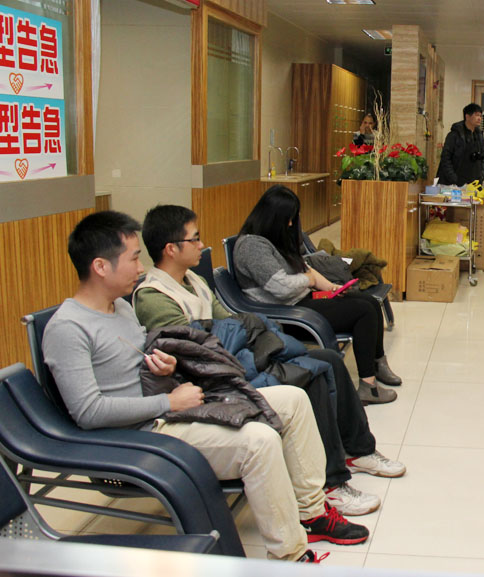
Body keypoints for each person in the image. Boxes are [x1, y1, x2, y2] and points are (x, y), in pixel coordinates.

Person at [42, 211, 369, 563]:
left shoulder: (119, 308)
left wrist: (165, 367)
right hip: (143, 432)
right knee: (259, 442)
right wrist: (168, 402)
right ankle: (289, 555)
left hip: (172, 407)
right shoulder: (68, 329)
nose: (140, 268)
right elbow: (89, 412)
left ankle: (312, 513)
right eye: (133, 258)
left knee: (294, 400)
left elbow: (138, 364)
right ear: (100, 267)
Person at [135, 205, 405, 516]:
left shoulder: (192, 280)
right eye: (194, 239)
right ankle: (330, 485)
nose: (201, 245)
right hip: (215, 381)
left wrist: (245, 337)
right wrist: (243, 340)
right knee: (311, 377)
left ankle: (359, 450)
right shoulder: (155, 297)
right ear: (171, 249)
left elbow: (229, 324)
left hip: (235, 360)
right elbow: (197, 355)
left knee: (330, 359)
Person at [232, 186, 401, 404]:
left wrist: (332, 288)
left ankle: (377, 364)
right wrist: (310, 281)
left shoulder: (272, 240)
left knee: (370, 302)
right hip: (286, 312)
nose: (291, 224)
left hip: (300, 300)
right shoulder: (252, 246)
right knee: (363, 312)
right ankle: (369, 387)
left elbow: (305, 269)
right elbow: (281, 287)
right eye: (288, 218)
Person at [436, 102, 484, 186]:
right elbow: (446, 158)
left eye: (480, 116)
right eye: (476, 115)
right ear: (467, 116)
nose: (479, 118)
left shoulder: (479, 135)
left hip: (473, 181)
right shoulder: (454, 134)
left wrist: (481, 175)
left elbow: (483, 157)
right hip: (454, 182)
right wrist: (454, 178)